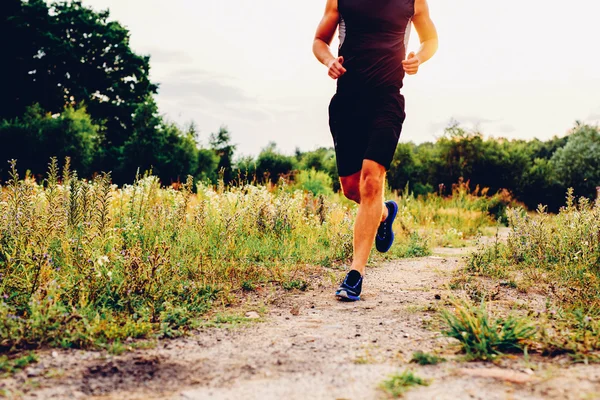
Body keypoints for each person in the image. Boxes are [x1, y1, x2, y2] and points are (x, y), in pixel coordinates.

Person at [312, 0, 438, 301]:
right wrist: (329, 59)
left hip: (387, 100)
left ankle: (355, 274)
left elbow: (430, 39)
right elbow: (319, 41)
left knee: (372, 180)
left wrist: (419, 57)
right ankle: (383, 213)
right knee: (352, 189)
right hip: (347, 102)